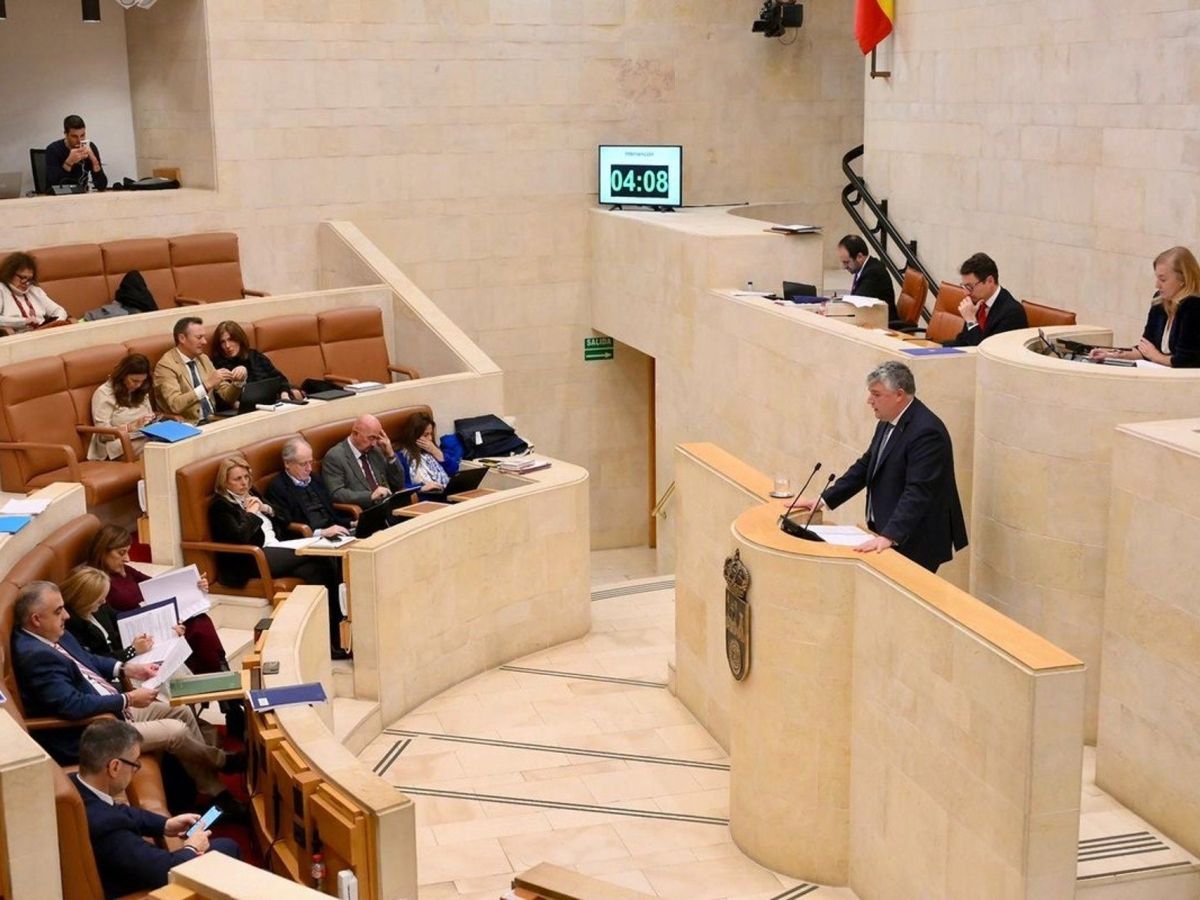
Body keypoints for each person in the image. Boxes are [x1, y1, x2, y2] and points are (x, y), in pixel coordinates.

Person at [11, 581, 242, 797]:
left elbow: (89, 660)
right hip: (92, 730)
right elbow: (72, 705)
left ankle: (210, 786)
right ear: (36, 619)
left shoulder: (52, 633)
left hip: (110, 710)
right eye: (58, 611)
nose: (67, 615)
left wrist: (127, 668)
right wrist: (128, 699)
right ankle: (221, 767)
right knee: (177, 731)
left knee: (181, 712)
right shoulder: (35, 656)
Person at [791, 361, 967, 572]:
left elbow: (918, 491)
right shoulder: (887, 419)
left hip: (915, 538)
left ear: (899, 394)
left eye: (876, 394)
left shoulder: (927, 432)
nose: (869, 400)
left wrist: (889, 536)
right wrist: (824, 499)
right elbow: (867, 465)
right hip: (889, 531)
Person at [72, 720, 240, 897]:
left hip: (122, 867)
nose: (135, 770)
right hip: (133, 888)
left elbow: (119, 810)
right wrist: (191, 847)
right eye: (135, 764)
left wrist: (165, 825)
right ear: (114, 767)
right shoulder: (108, 828)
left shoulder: (77, 784)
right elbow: (165, 870)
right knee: (227, 847)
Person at [209, 455, 347, 658]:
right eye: (237, 479)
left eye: (246, 477)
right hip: (251, 559)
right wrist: (252, 513)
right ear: (225, 482)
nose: (244, 483)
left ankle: (334, 639)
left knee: (320, 569)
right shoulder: (220, 506)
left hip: (276, 548)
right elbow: (239, 537)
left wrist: (266, 508)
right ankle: (332, 640)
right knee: (318, 554)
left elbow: (286, 517)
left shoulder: (252, 493)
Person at [87, 524, 225, 675]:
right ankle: (215, 674)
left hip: (154, 620)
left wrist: (194, 584)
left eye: (127, 552)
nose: (127, 559)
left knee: (199, 620)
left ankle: (219, 668)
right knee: (196, 629)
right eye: (121, 553)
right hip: (138, 631)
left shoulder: (124, 571)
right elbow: (113, 622)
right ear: (103, 551)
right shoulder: (98, 582)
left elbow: (157, 586)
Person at [1089, 246, 1200, 368]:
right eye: (1157, 278)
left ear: (1183, 279)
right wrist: (1111, 355)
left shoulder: (1194, 306)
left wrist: (1156, 357)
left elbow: (1186, 361)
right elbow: (1145, 349)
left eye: (1163, 280)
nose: (1157, 285)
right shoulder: (1160, 301)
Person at [62, 566, 165, 664]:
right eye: (99, 600)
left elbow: (122, 618)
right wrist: (132, 650)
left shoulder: (99, 607)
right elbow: (94, 660)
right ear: (85, 599)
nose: (104, 602)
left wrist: (160, 621)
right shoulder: (70, 624)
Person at [153, 316, 245, 424]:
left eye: (204, 337)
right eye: (199, 337)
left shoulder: (203, 358)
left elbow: (228, 397)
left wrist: (238, 382)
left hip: (213, 419)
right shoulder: (166, 366)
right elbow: (175, 404)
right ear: (182, 338)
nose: (204, 342)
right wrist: (206, 386)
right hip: (188, 425)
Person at [265, 437, 353, 538]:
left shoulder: (315, 479)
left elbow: (331, 513)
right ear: (287, 463)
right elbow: (286, 526)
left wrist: (351, 523)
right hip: (310, 539)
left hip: (334, 532)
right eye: (303, 464)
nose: (309, 468)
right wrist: (321, 533)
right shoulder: (278, 488)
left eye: (311, 462)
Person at [322, 414, 407, 509]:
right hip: (366, 510)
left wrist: (390, 455)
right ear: (355, 434)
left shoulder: (376, 450)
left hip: (390, 506)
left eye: (376, 438)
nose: (374, 443)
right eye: (371, 438)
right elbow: (337, 493)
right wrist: (370, 496)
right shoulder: (335, 456)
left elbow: (398, 483)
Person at [209, 319, 304, 403]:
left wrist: (285, 395)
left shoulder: (254, 355)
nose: (227, 346)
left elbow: (279, 379)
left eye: (231, 340)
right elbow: (223, 398)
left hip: (272, 402)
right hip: (245, 409)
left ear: (239, 339)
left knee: (296, 393)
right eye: (223, 342)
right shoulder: (218, 364)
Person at [945, 252, 1028, 347]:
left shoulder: (1012, 313)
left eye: (970, 287)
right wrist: (939, 348)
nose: (966, 293)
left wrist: (971, 321)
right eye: (964, 287)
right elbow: (964, 341)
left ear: (990, 281)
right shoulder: (977, 302)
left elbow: (985, 350)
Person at [88, 353, 157, 461]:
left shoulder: (140, 390)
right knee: (157, 447)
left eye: (142, 381)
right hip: (117, 444)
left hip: (143, 436)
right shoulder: (104, 394)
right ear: (123, 375)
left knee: (171, 441)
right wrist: (129, 427)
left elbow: (148, 414)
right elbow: (103, 433)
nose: (139, 385)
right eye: (135, 381)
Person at [0, 251, 73, 333]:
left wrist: (56, 323)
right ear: (9, 273)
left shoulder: (35, 290)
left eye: (29, 279)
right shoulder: (1, 289)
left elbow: (59, 311)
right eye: (22, 277)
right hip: (17, 336)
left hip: (44, 332)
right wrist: (23, 321)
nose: (26, 283)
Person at [394, 411, 462, 492]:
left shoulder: (431, 448)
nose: (430, 438)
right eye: (425, 435)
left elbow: (453, 471)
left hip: (446, 492)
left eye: (431, 434)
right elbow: (400, 486)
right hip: (425, 495)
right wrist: (421, 487)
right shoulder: (402, 456)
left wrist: (436, 452)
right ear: (414, 435)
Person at [837, 234, 896, 321]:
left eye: (846, 262)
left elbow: (857, 303)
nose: (844, 267)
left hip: (883, 323)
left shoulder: (873, 273)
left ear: (859, 257)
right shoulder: (864, 268)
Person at [44, 114, 108, 192]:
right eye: (74, 136)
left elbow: (102, 186)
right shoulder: (53, 149)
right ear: (66, 134)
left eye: (82, 135)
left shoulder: (90, 147)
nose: (79, 140)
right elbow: (51, 187)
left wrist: (94, 161)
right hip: (62, 196)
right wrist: (69, 163)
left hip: (83, 194)